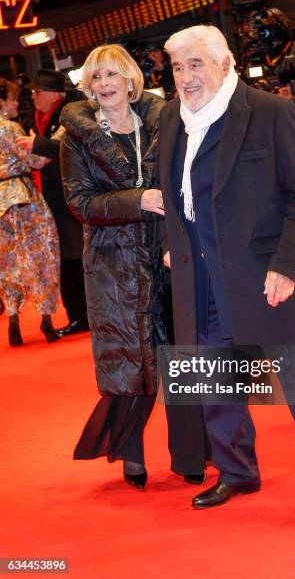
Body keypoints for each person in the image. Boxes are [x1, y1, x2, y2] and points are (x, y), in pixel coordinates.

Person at [158, 25, 295, 523]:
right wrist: (172, 247)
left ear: (225, 64)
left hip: (264, 275)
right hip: (196, 276)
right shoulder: (171, 118)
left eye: (196, 64)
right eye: (178, 68)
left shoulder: (270, 112)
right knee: (213, 381)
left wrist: (287, 266)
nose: (186, 77)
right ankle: (236, 471)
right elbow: (174, 196)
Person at [59, 43, 175, 488]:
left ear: (130, 79)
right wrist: (138, 200)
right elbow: (80, 202)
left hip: (165, 253)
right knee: (130, 359)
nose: (104, 85)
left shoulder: (162, 121)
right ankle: (131, 454)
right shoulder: (78, 136)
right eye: (96, 78)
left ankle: (192, 452)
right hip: (113, 262)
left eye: (111, 75)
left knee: (179, 354)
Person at [15, 69, 88, 336]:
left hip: (70, 194)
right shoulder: (39, 117)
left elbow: (69, 146)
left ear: (55, 94)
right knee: (66, 256)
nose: (34, 97)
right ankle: (79, 314)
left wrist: (38, 144)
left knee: (74, 254)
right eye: (33, 92)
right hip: (51, 197)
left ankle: (83, 315)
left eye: (39, 92)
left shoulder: (70, 112)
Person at [0, 78, 60, 346]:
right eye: (12, 99)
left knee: (7, 263)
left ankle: (13, 318)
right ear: (1, 102)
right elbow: (35, 160)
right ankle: (46, 321)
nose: (16, 103)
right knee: (39, 257)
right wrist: (53, 141)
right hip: (23, 198)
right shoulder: (10, 128)